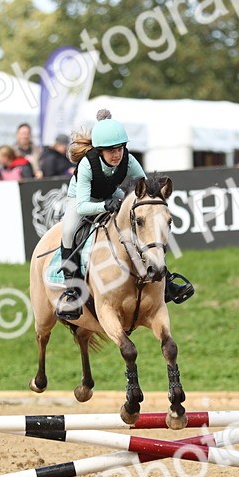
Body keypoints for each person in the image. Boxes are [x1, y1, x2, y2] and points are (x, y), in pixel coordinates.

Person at [55, 111, 147, 320]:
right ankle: (72, 290)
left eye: (120, 148)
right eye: (110, 150)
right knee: (68, 232)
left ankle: (164, 279)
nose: (117, 154)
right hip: (81, 200)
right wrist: (106, 205)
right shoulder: (87, 165)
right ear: (99, 151)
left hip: (110, 195)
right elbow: (83, 206)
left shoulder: (129, 160)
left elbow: (144, 186)